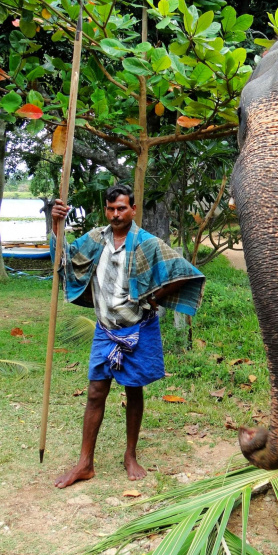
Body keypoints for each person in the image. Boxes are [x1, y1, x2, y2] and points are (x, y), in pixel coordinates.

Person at [50, 185, 205, 489]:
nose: (116, 214)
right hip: (106, 331)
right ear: (105, 210)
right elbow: (65, 258)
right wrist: (57, 225)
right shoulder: (96, 240)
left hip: (138, 329)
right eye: (110, 209)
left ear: (133, 209)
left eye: (121, 208)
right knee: (96, 393)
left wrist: (155, 296)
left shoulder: (147, 243)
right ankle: (85, 463)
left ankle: (130, 455)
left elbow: (185, 272)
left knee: (133, 391)